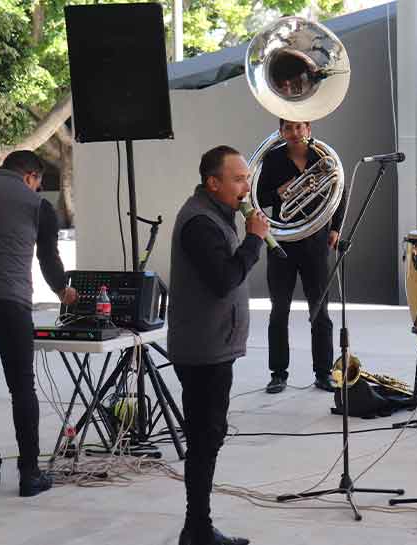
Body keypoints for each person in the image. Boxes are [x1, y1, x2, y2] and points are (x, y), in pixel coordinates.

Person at [168, 145, 268, 545]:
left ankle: (198, 527)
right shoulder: (200, 222)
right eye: (238, 179)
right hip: (203, 350)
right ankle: (197, 529)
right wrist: (254, 240)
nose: (246, 187)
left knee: (209, 436)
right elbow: (224, 279)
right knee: (204, 439)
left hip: (213, 345)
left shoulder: (216, 215)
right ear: (213, 183)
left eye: (247, 178)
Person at [0, 150, 77, 497]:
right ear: (31, 176)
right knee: (22, 387)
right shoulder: (37, 206)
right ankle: (29, 475)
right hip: (11, 303)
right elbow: (48, 258)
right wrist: (63, 290)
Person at [255, 119, 345, 394]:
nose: (294, 133)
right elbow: (258, 197)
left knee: (320, 311)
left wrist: (335, 228)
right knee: (279, 310)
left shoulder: (323, 158)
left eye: (299, 127)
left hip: (315, 243)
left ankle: (323, 372)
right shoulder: (272, 159)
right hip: (281, 243)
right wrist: (280, 192)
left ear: (308, 129)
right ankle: (278, 373)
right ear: (281, 132)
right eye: (288, 128)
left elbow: (338, 191)